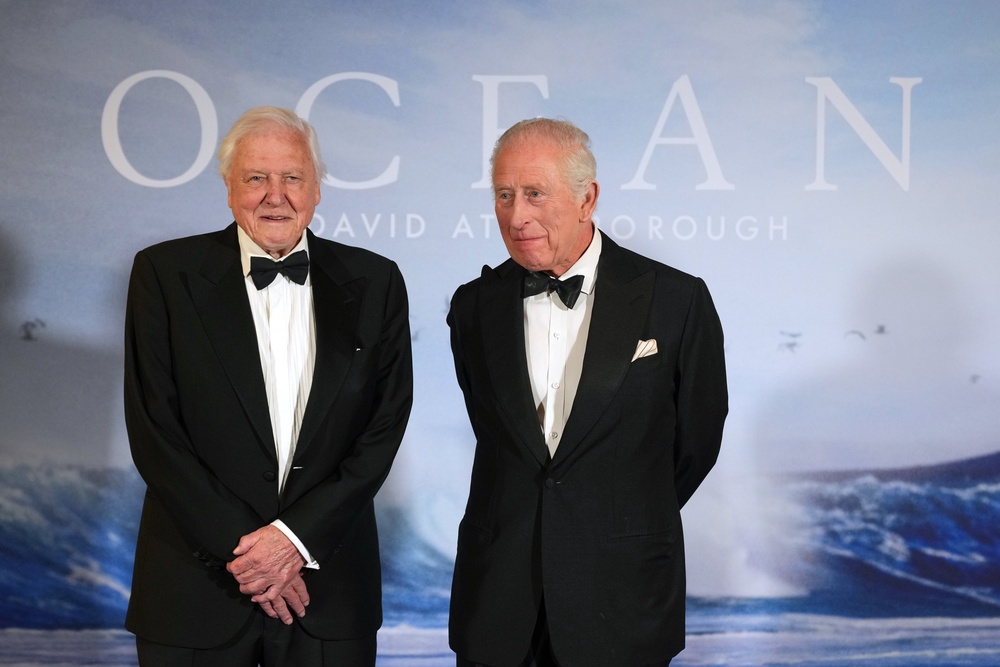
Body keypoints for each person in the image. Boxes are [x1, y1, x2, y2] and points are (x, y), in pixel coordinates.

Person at [123, 106, 412, 666]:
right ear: (229, 187)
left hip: (328, 592)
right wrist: (253, 554)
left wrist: (294, 542)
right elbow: (155, 430)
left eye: (292, 177)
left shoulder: (376, 281)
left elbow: (384, 425)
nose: (275, 195)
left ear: (318, 188)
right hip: (194, 590)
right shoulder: (163, 275)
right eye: (256, 177)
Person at [447, 118, 728, 666]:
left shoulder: (677, 301)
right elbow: (496, 436)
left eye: (534, 194)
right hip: (499, 603)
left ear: (586, 198)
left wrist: (614, 511)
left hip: (621, 599)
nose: (516, 214)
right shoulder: (473, 306)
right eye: (504, 195)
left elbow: (696, 443)